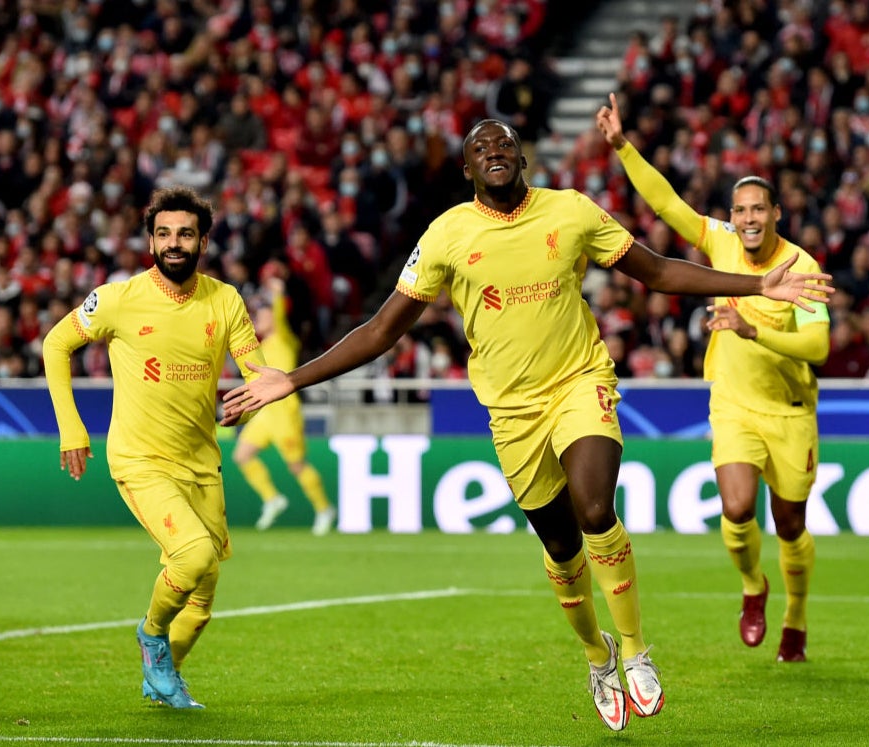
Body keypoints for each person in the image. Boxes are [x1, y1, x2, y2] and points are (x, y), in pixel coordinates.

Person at [220, 119, 833, 730]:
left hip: (579, 385)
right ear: (467, 170)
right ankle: (598, 657)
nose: (494, 152)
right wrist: (292, 378)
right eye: (481, 148)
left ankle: (636, 649)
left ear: (523, 157)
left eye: (505, 144)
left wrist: (758, 285)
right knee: (562, 550)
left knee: (596, 510)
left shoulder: (571, 212)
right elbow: (382, 330)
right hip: (512, 413)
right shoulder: (446, 235)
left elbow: (658, 271)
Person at [596, 92, 830, 663]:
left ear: (777, 215)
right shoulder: (720, 242)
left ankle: (795, 615)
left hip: (792, 413)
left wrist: (752, 331)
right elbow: (668, 207)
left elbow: (818, 346)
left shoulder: (803, 269)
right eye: (740, 209)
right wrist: (624, 147)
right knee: (736, 507)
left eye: (759, 210)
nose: (748, 219)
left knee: (790, 522)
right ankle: (754, 588)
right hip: (733, 405)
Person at [42, 186, 265, 709]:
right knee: (192, 556)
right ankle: (150, 635)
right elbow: (56, 343)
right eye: (163, 233)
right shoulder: (117, 299)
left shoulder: (225, 300)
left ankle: (163, 677)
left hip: (201, 463)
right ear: (149, 242)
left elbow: (258, 376)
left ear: (203, 242)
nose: (174, 242)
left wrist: (247, 405)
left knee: (204, 596)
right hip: (140, 459)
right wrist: (72, 429)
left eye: (185, 233)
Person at [233, 275, 337, 534]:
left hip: (285, 412)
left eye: (264, 315)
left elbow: (278, 314)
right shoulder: (261, 345)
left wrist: (277, 292)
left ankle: (324, 509)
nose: (260, 319)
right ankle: (272, 498)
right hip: (266, 413)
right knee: (242, 455)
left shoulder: (283, 337)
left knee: (296, 465)